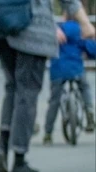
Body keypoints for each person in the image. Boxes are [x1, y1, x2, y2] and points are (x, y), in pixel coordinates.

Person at [0, 0, 93, 172]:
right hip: (30, 28)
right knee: (27, 92)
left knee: (12, 87)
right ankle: (19, 159)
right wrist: (85, 23)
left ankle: (3, 145)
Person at [43, 16, 96, 144]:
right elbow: (91, 50)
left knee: (54, 101)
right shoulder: (80, 32)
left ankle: (48, 133)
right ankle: (89, 110)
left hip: (58, 71)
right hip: (76, 69)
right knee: (85, 87)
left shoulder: (56, 31)